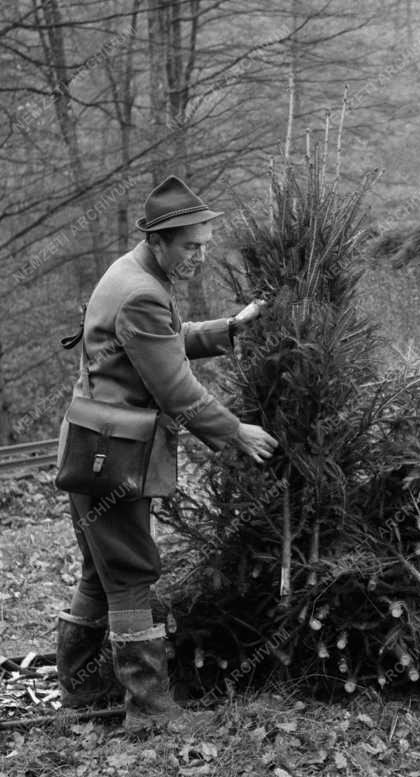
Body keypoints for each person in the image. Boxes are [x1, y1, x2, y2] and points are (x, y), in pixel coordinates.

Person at [55, 175, 278, 734]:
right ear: (159, 241)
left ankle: (80, 694)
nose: (200, 256)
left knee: (99, 570)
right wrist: (236, 432)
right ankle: (151, 713)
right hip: (112, 456)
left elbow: (163, 337)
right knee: (130, 573)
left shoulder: (133, 272)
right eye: (190, 246)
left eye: (205, 244)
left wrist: (229, 328)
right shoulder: (142, 291)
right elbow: (175, 390)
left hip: (93, 447)